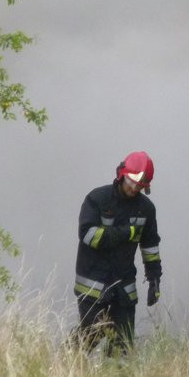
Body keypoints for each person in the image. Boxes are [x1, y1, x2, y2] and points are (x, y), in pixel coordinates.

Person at [71, 151, 162, 356]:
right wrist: (125, 233)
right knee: (91, 334)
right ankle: (62, 368)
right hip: (93, 284)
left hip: (123, 288)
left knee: (123, 345)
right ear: (122, 174)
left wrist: (154, 278)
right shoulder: (97, 199)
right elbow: (88, 235)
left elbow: (150, 245)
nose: (134, 188)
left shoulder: (146, 209)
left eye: (140, 185)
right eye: (132, 182)